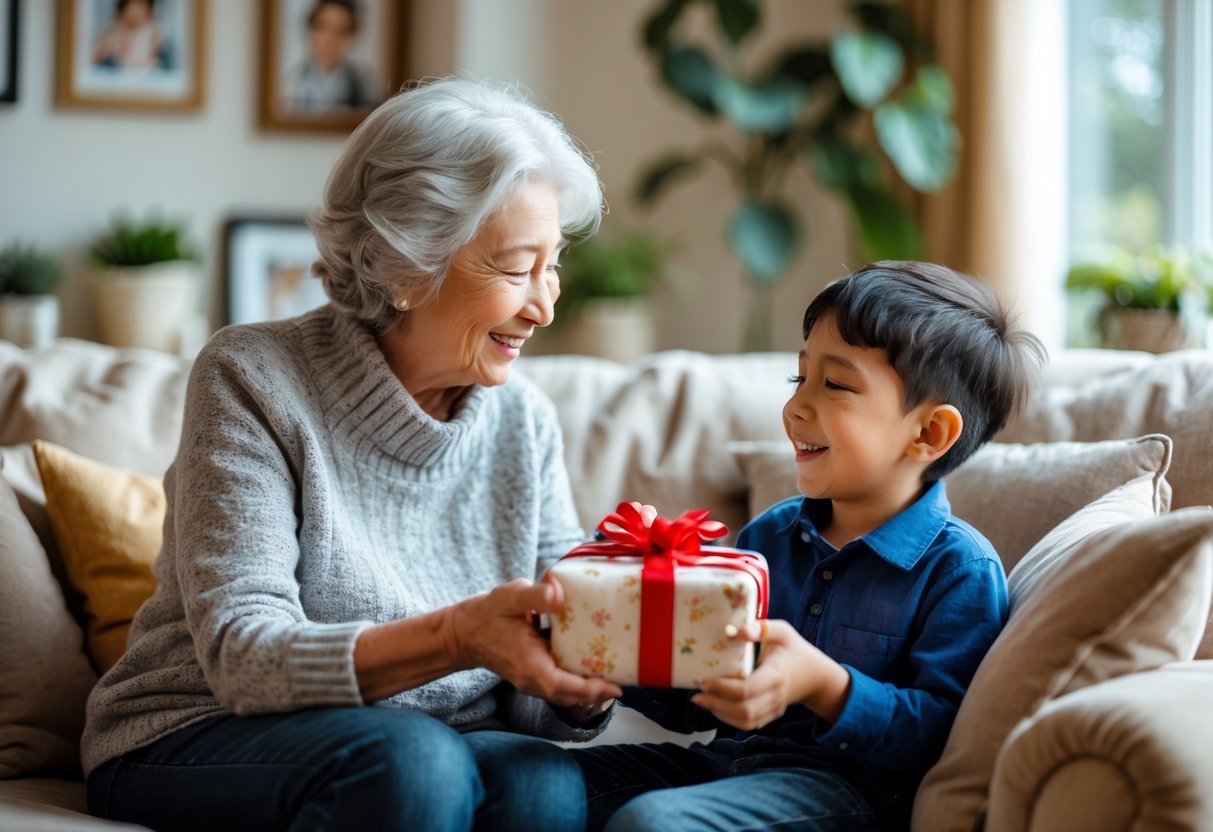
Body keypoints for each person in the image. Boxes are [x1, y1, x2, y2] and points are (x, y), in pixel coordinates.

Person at [82, 77, 622, 832]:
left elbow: (537, 702)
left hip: (431, 741)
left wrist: (583, 677)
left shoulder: (523, 421)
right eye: (514, 268)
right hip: (195, 730)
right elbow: (243, 657)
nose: (544, 304)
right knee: (415, 764)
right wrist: (461, 635)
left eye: (551, 263)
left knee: (544, 782)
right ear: (405, 266)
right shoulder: (252, 376)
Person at [573, 261, 1046, 831]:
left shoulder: (958, 570)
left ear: (928, 434)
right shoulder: (770, 536)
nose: (796, 408)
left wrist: (828, 686)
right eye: (800, 378)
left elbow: (943, 735)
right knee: (521, 771)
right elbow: (694, 696)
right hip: (722, 765)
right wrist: (612, 647)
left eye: (835, 384)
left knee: (655, 824)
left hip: (844, 796)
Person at [282, 0, 379, 113]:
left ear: (352, 35)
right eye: (322, 27)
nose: (330, 39)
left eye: (340, 31)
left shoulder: (364, 83)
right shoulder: (291, 80)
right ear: (310, 30)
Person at [91, 0, 165, 72]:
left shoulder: (152, 32)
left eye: (141, 7)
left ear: (149, 10)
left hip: (144, 74)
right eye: (131, 6)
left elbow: (151, 58)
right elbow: (95, 57)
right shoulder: (114, 30)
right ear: (123, 9)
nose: (136, 12)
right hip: (119, 75)